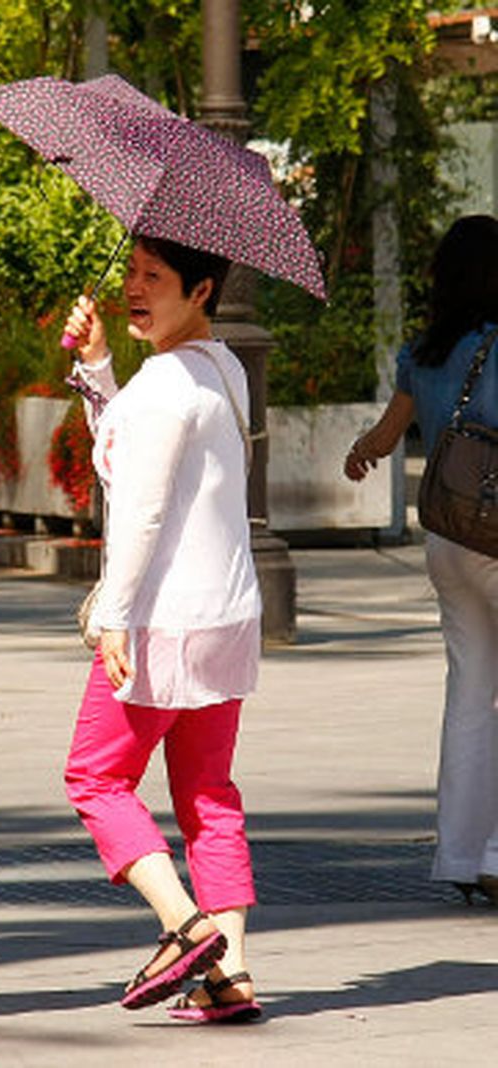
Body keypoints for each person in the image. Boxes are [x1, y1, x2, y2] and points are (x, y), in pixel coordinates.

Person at [61, 236, 263, 1024]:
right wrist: (103, 370)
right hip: (228, 617)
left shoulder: (163, 390)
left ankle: (185, 927)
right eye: (132, 275)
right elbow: (137, 459)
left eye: (156, 278)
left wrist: (112, 613)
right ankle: (232, 973)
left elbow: (137, 508)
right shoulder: (224, 371)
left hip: (162, 619)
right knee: (209, 795)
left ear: (202, 288)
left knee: (94, 776)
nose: (135, 290)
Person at [344, 214, 498, 907]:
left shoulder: (427, 351)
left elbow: (385, 433)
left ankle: (462, 854)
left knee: (468, 696)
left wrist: (362, 452)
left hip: (445, 537)